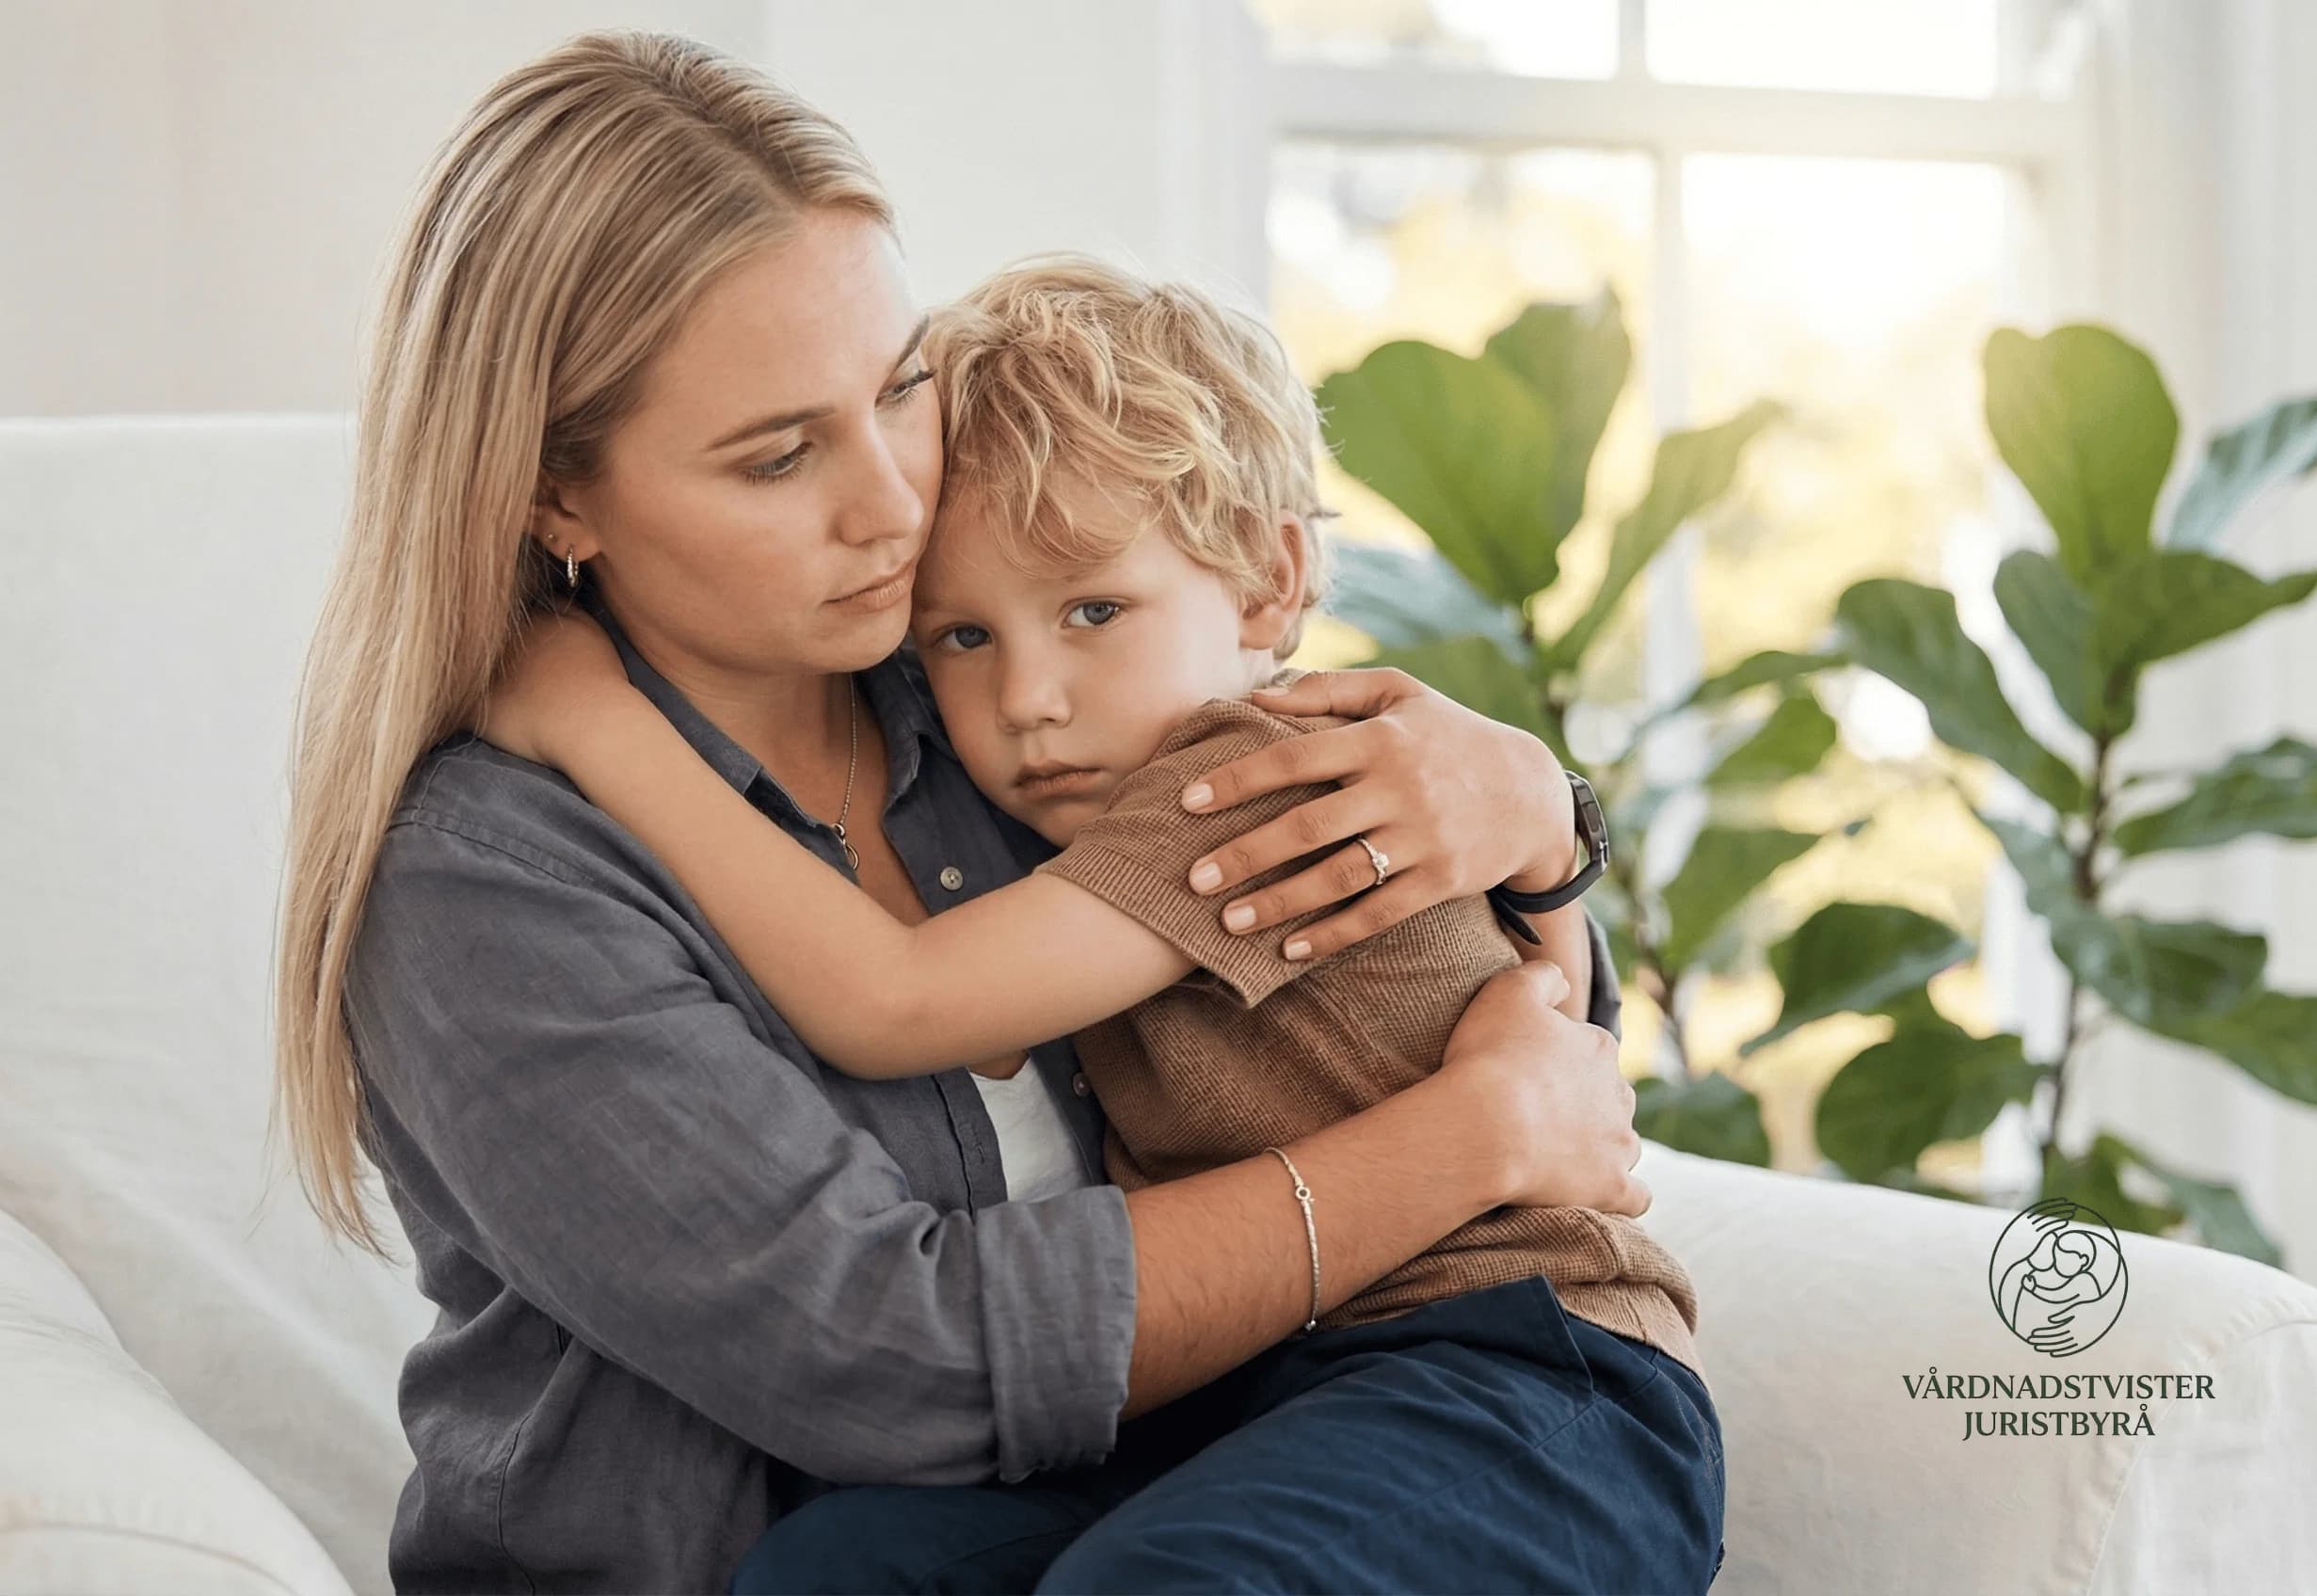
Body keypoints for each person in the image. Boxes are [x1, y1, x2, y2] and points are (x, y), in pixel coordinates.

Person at [272, 30, 1663, 1596]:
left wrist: (1542, 822)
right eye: (780, 454)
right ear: (554, 497)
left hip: (1289, 1432)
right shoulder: (487, 887)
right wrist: (1462, 1144)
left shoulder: (991, 702)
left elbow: (1461, 1005)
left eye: (902, 386)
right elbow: (896, 1356)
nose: (893, 505)